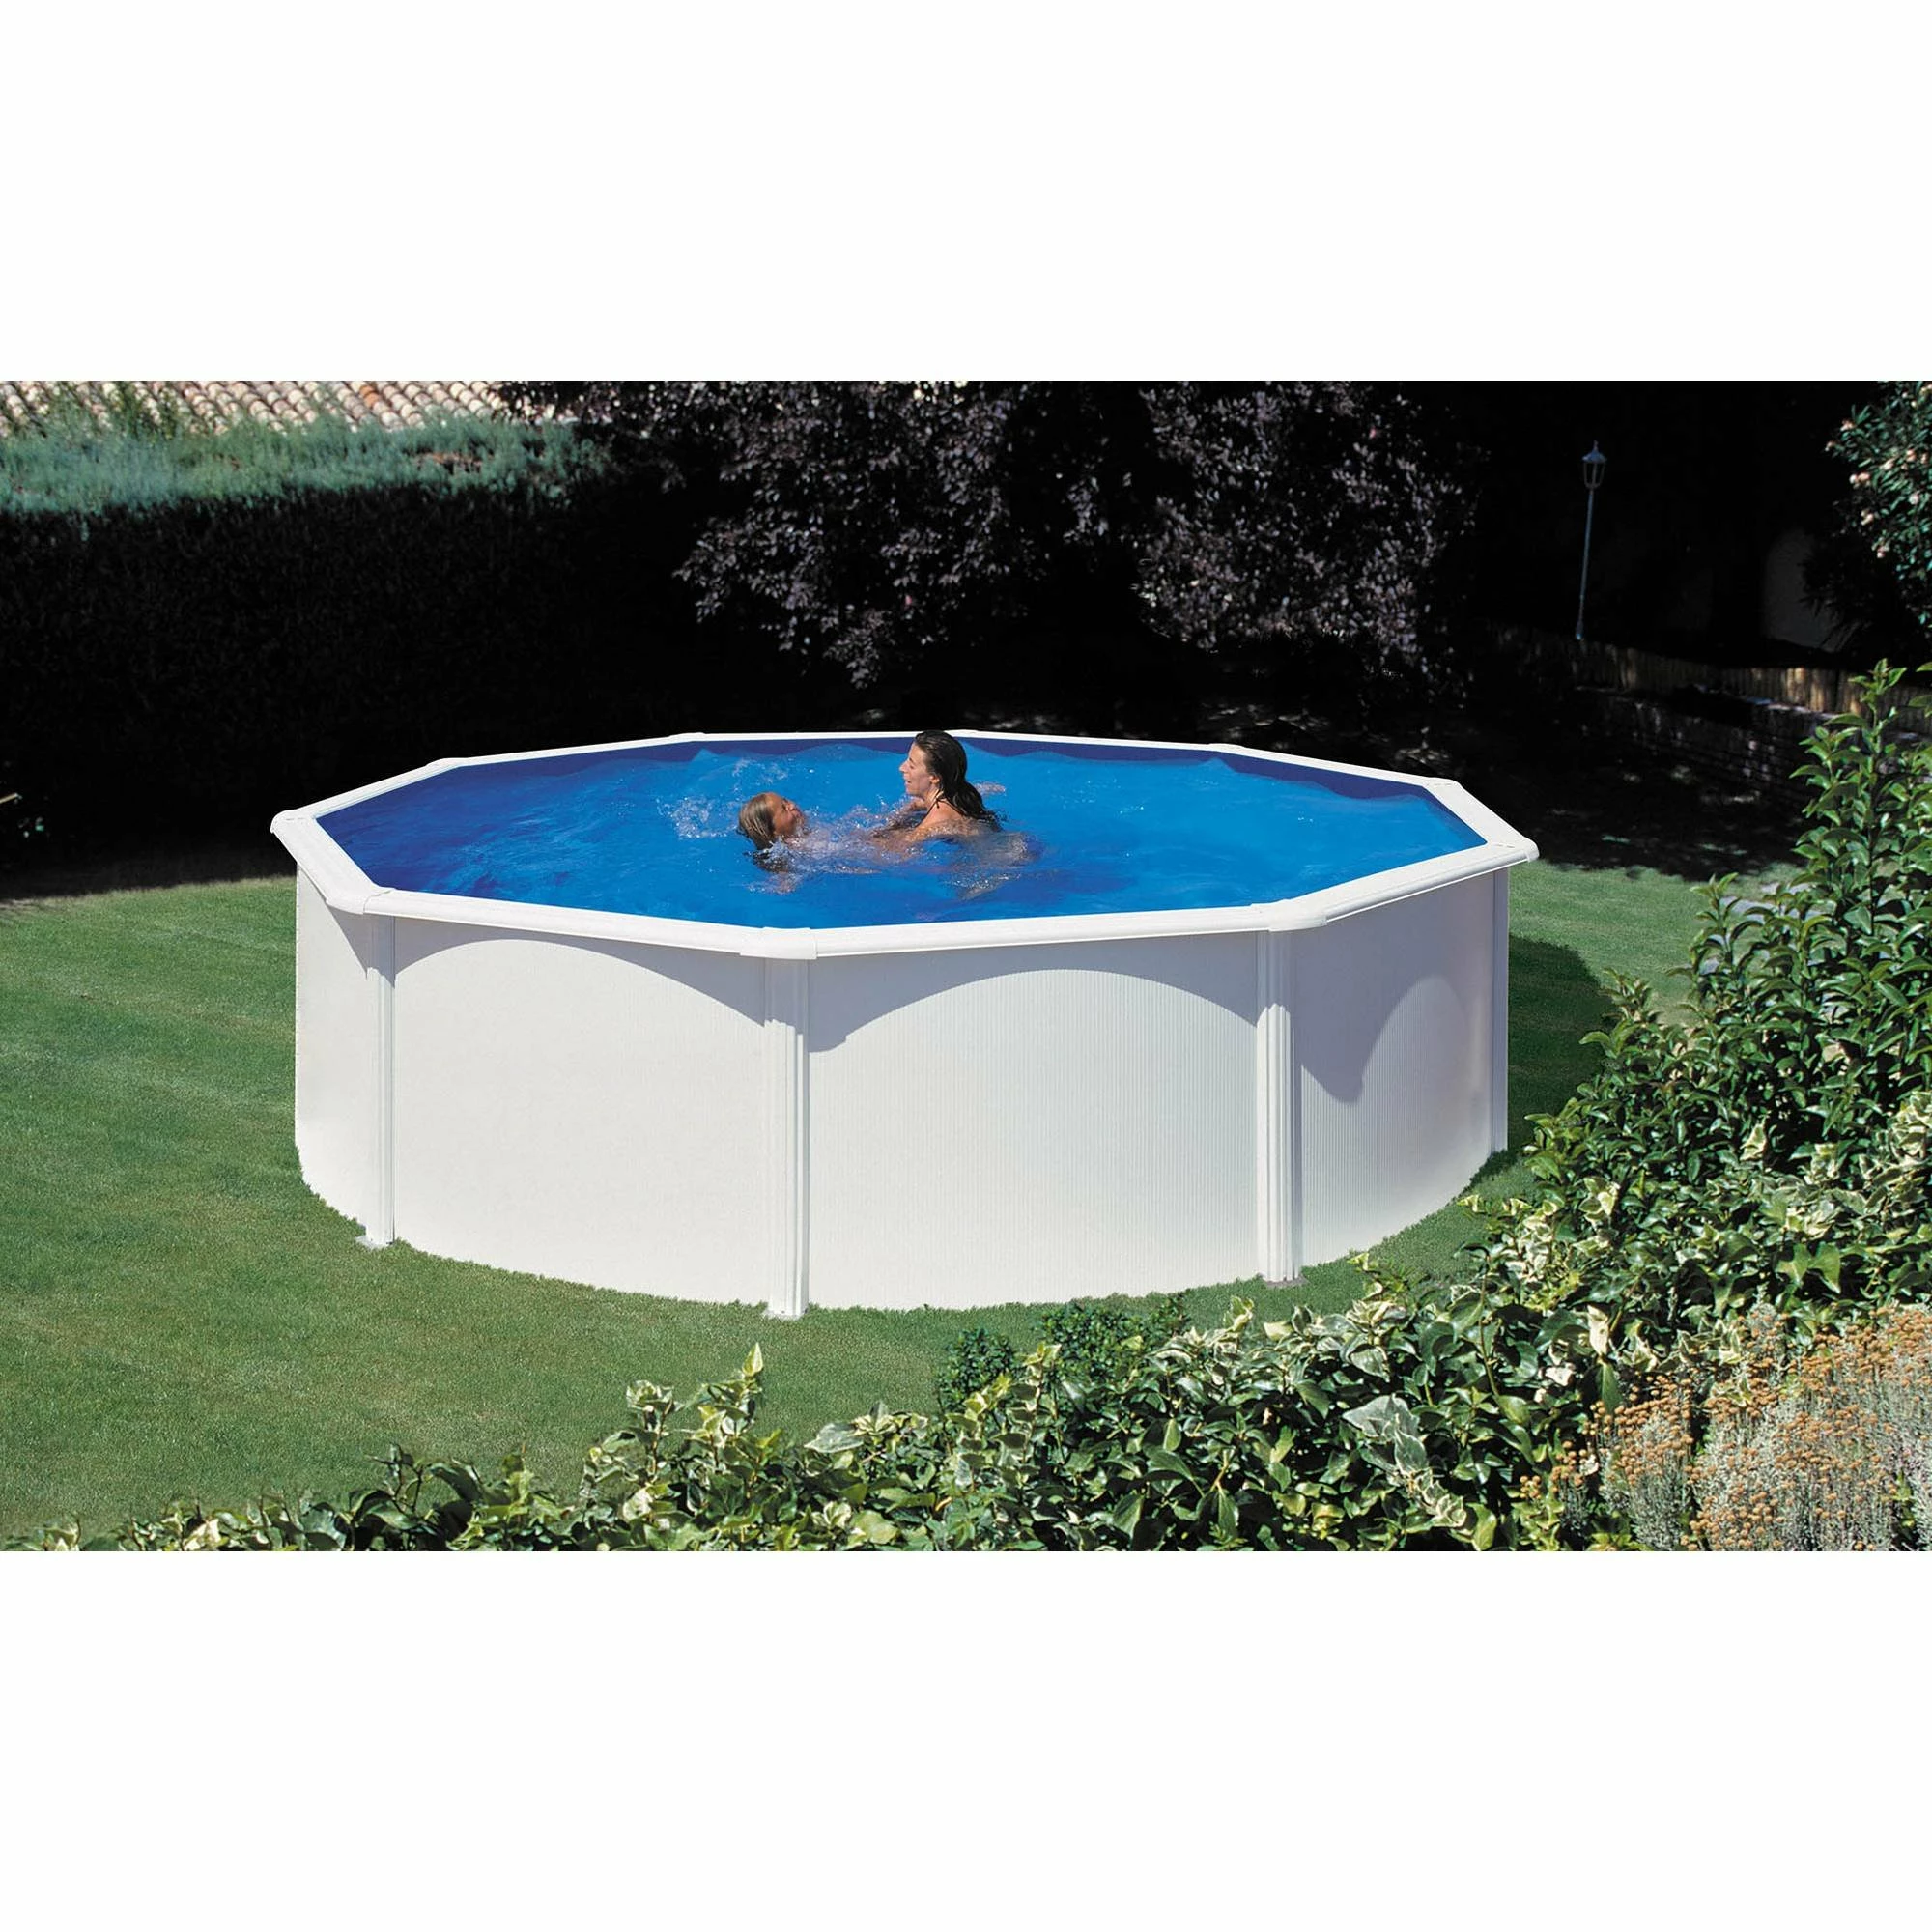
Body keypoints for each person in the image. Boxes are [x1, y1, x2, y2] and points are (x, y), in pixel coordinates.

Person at [873, 729, 999, 846]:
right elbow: (917, 804)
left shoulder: (936, 820)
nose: (902, 768)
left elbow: (896, 852)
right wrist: (900, 819)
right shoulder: (959, 792)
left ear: (934, 777)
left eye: (911, 766)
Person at [737, 791, 809, 852]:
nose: (792, 805)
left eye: (786, 801)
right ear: (773, 833)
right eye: (784, 808)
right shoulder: (798, 849)